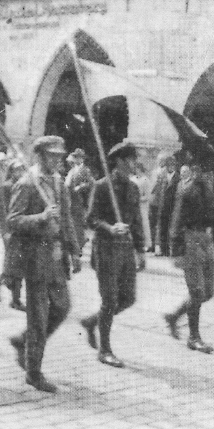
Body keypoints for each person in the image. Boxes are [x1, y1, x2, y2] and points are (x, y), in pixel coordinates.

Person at [7, 136, 81, 392]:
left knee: (62, 307)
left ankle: (24, 342)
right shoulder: (27, 183)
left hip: (56, 256)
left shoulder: (59, 182)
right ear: (39, 156)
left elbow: (67, 218)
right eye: (52, 156)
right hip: (35, 257)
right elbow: (13, 220)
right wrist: (41, 217)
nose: (57, 160)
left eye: (60, 156)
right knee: (38, 316)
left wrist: (74, 249)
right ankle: (33, 371)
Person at [80, 141, 146, 368]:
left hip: (125, 249)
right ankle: (104, 350)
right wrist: (109, 227)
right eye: (131, 159)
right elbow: (90, 218)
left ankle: (91, 322)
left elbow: (137, 221)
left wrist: (140, 250)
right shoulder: (101, 186)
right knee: (109, 300)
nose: (134, 163)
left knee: (128, 299)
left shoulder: (134, 188)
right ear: (119, 161)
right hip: (106, 248)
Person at [163, 158, 214, 353]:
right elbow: (175, 222)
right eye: (204, 172)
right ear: (197, 172)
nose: (208, 176)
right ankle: (194, 337)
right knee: (197, 291)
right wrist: (176, 250)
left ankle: (174, 316)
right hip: (189, 240)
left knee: (209, 291)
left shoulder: (208, 191)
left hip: (204, 240)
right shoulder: (187, 192)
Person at [0, 156, 28, 310]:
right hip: (10, 232)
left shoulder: (24, 186)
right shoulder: (6, 187)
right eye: (17, 169)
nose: (20, 172)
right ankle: (15, 300)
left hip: (22, 230)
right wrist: (4, 232)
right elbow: (1, 212)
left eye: (22, 169)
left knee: (15, 264)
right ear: (11, 171)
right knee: (15, 264)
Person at [65, 147, 94, 250]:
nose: (76, 159)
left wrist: (81, 187)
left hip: (79, 199)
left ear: (82, 159)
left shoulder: (85, 170)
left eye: (78, 158)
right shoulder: (72, 170)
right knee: (72, 221)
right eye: (75, 157)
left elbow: (91, 183)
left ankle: (79, 243)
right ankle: (76, 242)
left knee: (77, 222)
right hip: (71, 198)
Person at [155, 154, 179, 256]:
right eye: (168, 165)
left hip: (172, 206)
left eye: (172, 165)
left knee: (172, 229)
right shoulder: (162, 176)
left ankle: (173, 250)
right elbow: (158, 191)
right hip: (162, 206)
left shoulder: (178, 177)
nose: (170, 167)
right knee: (162, 228)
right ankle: (163, 249)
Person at [148, 152, 172, 252]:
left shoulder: (164, 172)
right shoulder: (154, 171)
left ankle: (159, 246)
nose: (159, 161)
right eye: (159, 159)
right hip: (152, 201)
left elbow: (157, 188)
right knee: (152, 224)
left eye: (161, 160)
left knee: (160, 225)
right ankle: (152, 244)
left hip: (159, 202)